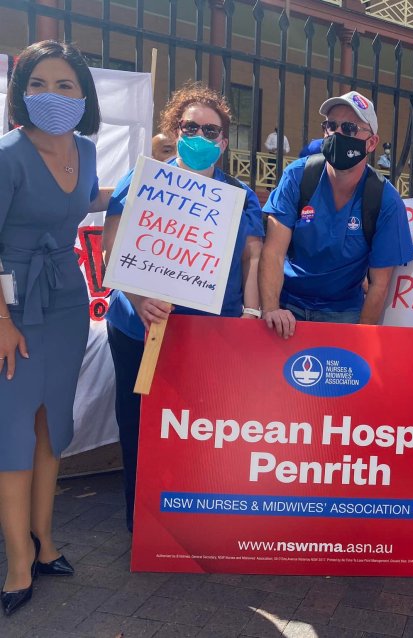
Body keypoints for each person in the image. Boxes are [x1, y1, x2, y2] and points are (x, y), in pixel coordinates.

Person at [102, 83, 264, 534]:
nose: (200, 135)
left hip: (207, 337)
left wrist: (249, 320)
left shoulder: (239, 195)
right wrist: (138, 298)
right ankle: (143, 527)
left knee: (198, 428)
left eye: (211, 130)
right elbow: (111, 249)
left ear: (224, 141)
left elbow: (252, 261)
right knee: (138, 426)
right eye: (191, 126)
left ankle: (190, 521)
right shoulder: (144, 179)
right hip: (139, 329)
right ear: (175, 130)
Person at [0, 40, 111, 617]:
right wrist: (1, 322)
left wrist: (131, 196)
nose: (51, 95)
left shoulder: (86, 149)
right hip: (12, 307)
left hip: (68, 300)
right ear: (22, 92)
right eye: (37, 83)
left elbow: (84, 199)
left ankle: (45, 542)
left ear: (83, 95)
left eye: (64, 84)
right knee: (14, 434)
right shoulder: (7, 155)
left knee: (52, 427)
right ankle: (18, 560)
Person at [259, 90, 413, 336]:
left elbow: (379, 284)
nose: (337, 133)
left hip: (343, 314)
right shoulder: (298, 176)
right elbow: (273, 252)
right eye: (331, 126)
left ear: (371, 142)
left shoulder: (385, 199)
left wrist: (360, 337)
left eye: (350, 128)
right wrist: (270, 309)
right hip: (287, 307)